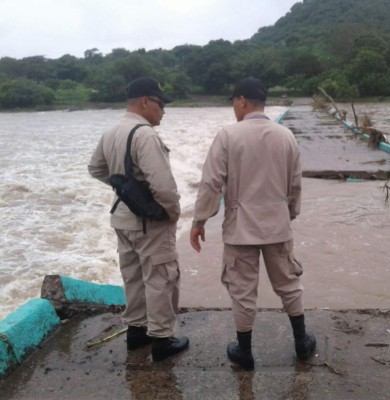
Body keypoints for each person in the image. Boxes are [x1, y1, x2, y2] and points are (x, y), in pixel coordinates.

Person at [189, 77, 316, 371]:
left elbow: (211, 183)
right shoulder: (286, 136)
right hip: (277, 225)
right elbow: (295, 184)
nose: (234, 107)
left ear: (243, 101)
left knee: (242, 290)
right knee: (288, 284)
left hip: (240, 228)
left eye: (234, 102)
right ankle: (301, 342)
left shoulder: (228, 136)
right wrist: (290, 214)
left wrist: (199, 220)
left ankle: (244, 352)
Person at [88, 77, 189, 362]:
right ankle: (161, 340)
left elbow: (95, 168)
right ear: (145, 101)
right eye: (160, 104)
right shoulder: (144, 134)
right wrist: (173, 214)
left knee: (132, 277)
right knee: (160, 277)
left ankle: (136, 333)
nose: (163, 111)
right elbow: (165, 187)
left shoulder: (112, 131)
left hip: (122, 217)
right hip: (150, 220)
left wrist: (124, 188)